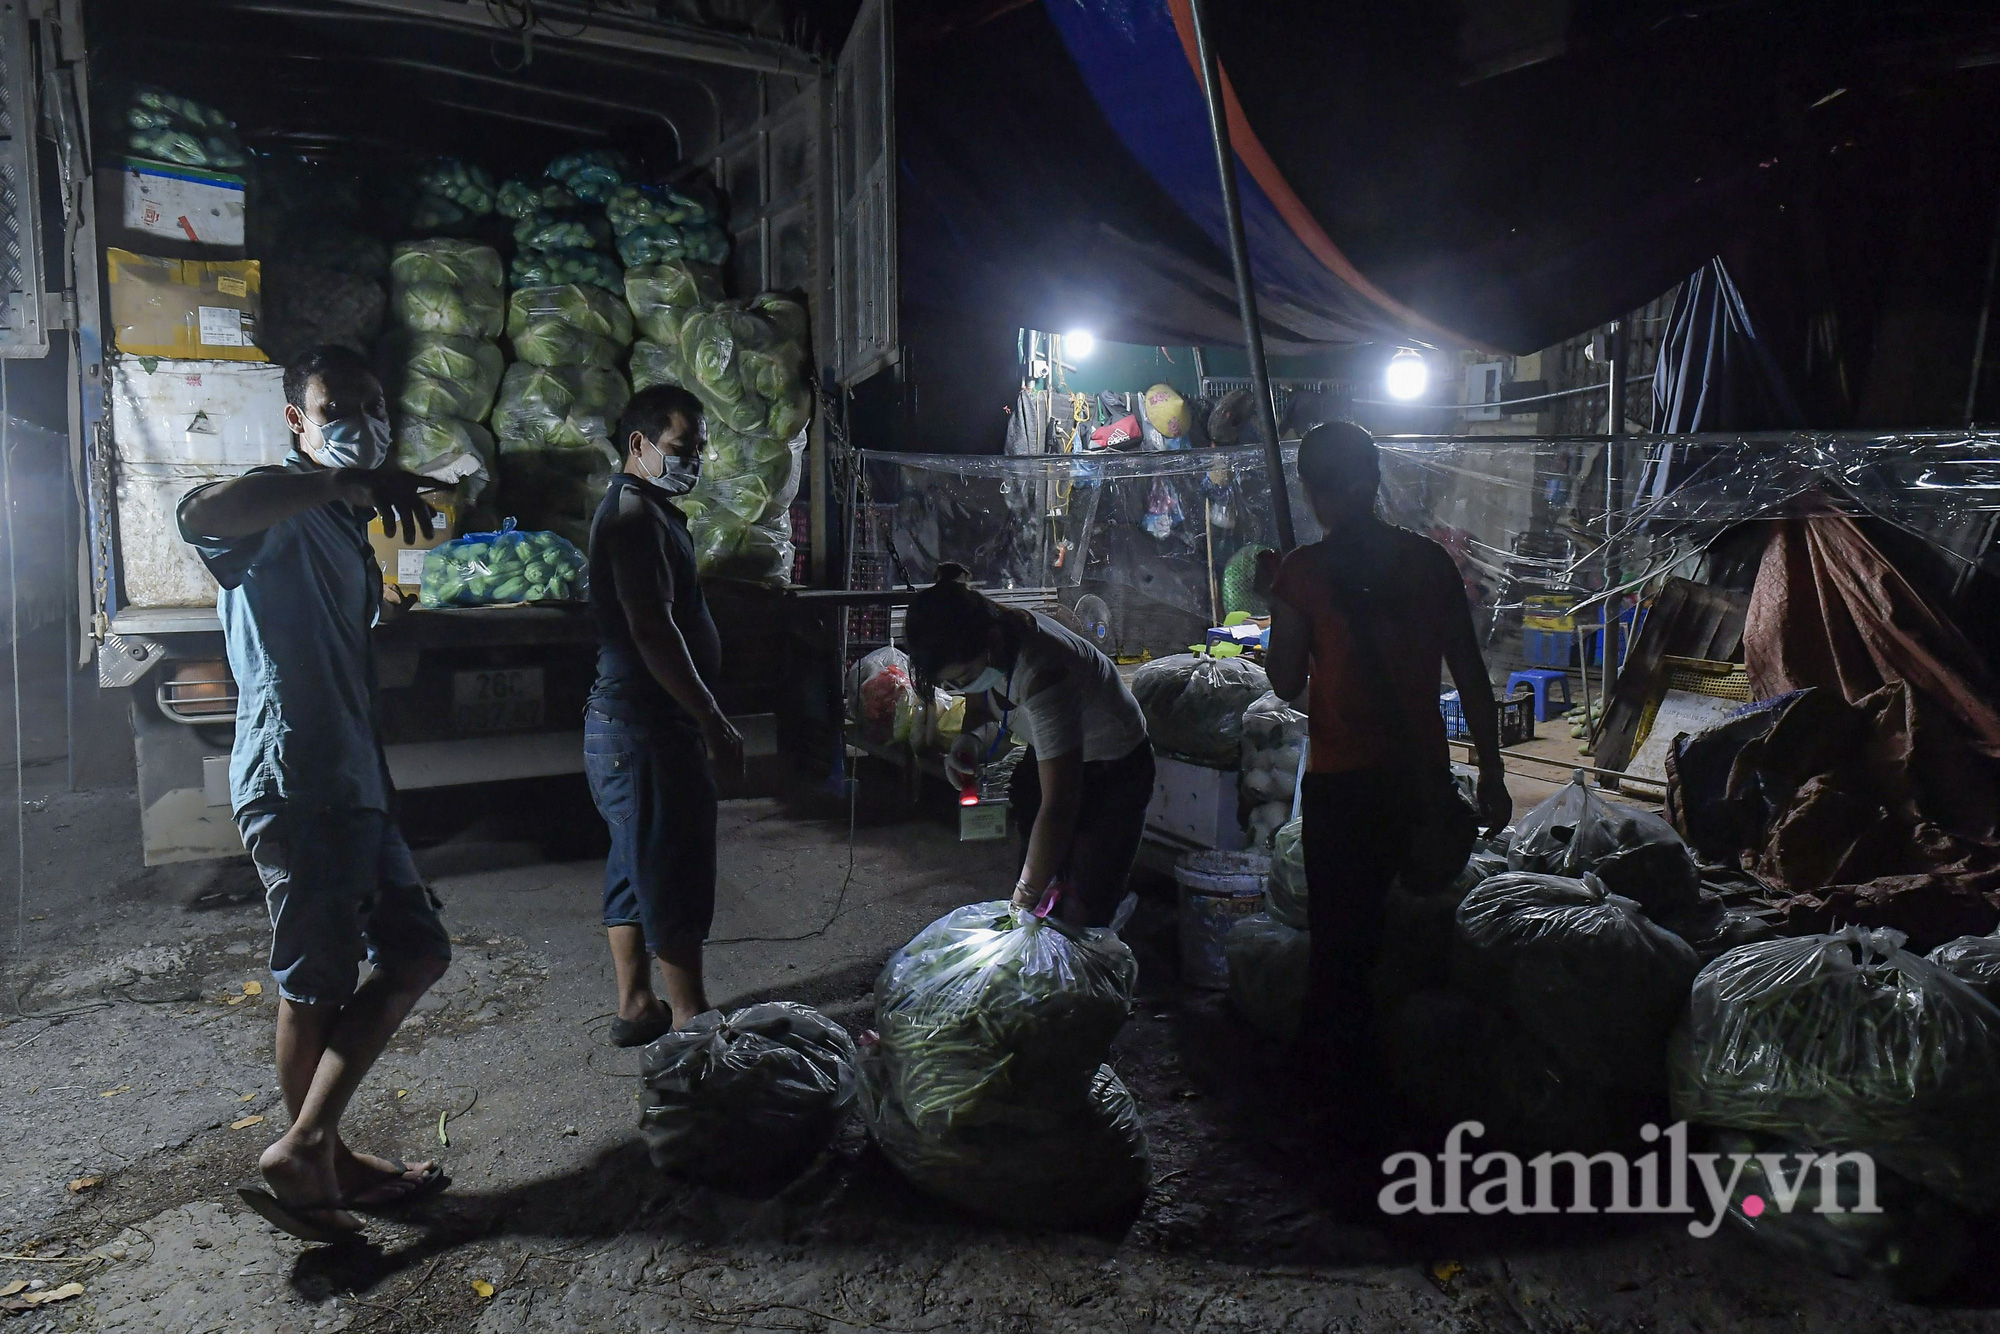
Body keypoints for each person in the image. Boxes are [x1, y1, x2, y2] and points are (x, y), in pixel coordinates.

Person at [177, 345, 452, 1243]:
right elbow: (205, 513)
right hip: (297, 780)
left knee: (417, 952)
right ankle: (315, 1158)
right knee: (317, 986)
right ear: (297, 419)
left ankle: (311, 1149)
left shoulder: (342, 525)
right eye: (337, 407)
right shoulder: (280, 506)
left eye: (373, 406)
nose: (360, 423)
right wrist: (330, 485)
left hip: (352, 780)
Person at [1261, 421, 1511, 1127]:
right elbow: (1472, 678)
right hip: (1419, 779)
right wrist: (1490, 775)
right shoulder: (1429, 562)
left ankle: (1338, 1101)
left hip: (1344, 788)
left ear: (1312, 491)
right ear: (1371, 479)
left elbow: (1283, 683)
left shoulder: (1302, 573)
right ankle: (1416, 1081)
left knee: (1341, 948)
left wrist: (1275, 597)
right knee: (1413, 935)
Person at [586, 383, 743, 1047]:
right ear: (639, 445)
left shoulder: (649, 509)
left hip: (632, 727)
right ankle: (691, 1017)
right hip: (647, 727)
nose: (695, 462)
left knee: (634, 861)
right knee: (672, 864)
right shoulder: (631, 515)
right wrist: (711, 718)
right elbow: (652, 629)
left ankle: (636, 1006)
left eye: (701, 450)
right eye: (683, 449)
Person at [905, 567, 1153, 927]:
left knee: (1081, 908)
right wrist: (971, 742)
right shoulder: (991, 637)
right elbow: (982, 704)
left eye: (964, 678)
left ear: (988, 642)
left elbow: (1059, 807)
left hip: (1115, 766)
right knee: (1041, 890)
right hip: (1053, 752)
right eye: (954, 684)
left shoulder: (1043, 671)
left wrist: (1022, 897)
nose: (964, 686)